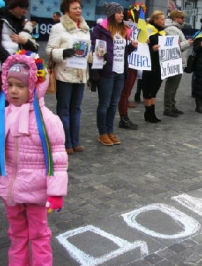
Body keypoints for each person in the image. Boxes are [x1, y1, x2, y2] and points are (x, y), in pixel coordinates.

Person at [0, 51, 68, 266]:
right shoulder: (4, 115)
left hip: (36, 191)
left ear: (33, 85)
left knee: (39, 235)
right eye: (10, 84)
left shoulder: (48, 120)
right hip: (11, 190)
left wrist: (56, 192)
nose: (13, 90)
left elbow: (58, 159)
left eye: (20, 85)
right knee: (17, 234)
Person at [46, 0, 90, 155]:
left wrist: (96, 57)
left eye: (79, 8)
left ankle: (75, 140)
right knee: (64, 109)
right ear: (66, 11)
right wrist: (64, 53)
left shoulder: (85, 29)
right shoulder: (58, 28)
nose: (78, 10)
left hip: (80, 74)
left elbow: (87, 52)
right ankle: (66, 142)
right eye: (75, 8)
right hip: (64, 73)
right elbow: (49, 50)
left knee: (76, 108)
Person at [90, 2, 137, 144]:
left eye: (122, 12)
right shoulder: (100, 30)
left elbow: (123, 53)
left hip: (120, 72)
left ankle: (110, 131)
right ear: (111, 14)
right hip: (106, 72)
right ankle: (102, 132)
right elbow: (95, 49)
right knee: (104, 103)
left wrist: (131, 47)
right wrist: (101, 55)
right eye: (119, 12)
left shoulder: (124, 30)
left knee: (113, 103)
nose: (122, 15)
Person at [117, 3, 145, 130]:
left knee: (127, 92)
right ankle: (123, 117)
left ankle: (125, 116)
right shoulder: (124, 27)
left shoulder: (139, 28)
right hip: (126, 63)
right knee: (124, 93)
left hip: (134, 63)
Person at [163, 10, 193, 118]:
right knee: (171, 85)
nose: (183, 20)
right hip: (174, 61)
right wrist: (187, 43)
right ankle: (168, 107)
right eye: (182, 18)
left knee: (174, 86)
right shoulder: (172, 29)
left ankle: (172, 105)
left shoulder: (177, 29)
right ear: (176, 18)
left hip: (178, 61)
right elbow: (173, 47)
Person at [142, 10, 165, 123]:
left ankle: (152, 113)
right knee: (148, 90)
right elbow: (142, 48)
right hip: (150, 64)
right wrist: (152, 49)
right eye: (161, 19)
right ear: (155, 20)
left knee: (155, 89)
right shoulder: (148, 31)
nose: (163, 21)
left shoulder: (163, 32)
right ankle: (148, 113)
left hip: (159, 64)